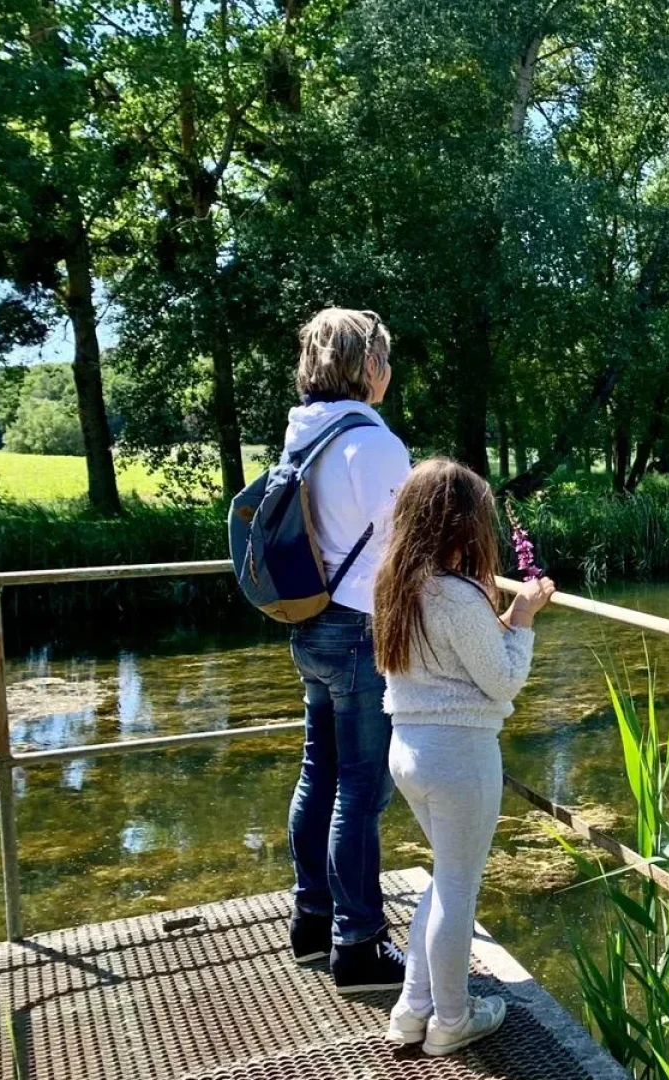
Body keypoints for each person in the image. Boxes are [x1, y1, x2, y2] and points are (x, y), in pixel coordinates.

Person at [372, 459, 556, 1055]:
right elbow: (500, 681)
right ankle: (451, 1021)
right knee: (458, 886)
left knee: (445, 877)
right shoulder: (454, 592)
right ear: (462, 524)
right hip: (458, 755)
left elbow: (453, 657)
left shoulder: (398, 583)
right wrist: (523, 617)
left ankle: (412, 1009)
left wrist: (498, 617)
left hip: (410, 748)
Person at [282, 308, 414, 993]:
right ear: (367, 367)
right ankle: (357, 946)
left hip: (309, 625)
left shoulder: (302, 433)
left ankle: (312, 922)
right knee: (362, 788)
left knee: (319, 775)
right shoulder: (372, 442)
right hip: (360, 630)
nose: (388, 373)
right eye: (384, 360)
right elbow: (405, 547)